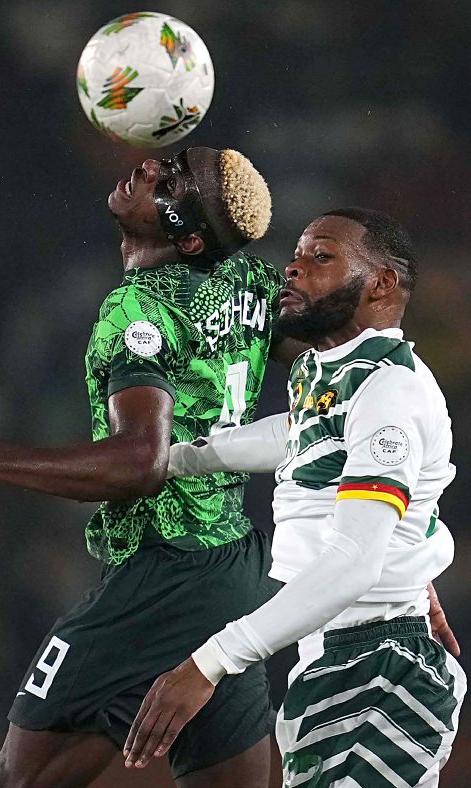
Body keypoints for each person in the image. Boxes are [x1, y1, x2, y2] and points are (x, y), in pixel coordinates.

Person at [0, 147, 303, 787]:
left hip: (162, 576)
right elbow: (326, 353)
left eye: (175, 178)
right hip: (235, 571)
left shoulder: (139, 307)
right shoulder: (247, 279)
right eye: (173, 161)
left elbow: (140, 462)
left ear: (188, 238)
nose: (154, 167)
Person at [124, 207, 467, 788]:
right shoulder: (334, 375)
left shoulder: (392, 391)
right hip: (335, 655)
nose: (293, 267)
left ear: (380, 283)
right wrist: (176, 459)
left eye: (321, 256)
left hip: (380, 664)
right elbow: (298, 436)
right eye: (298, 253)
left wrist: (211, 662)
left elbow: (354, 563)